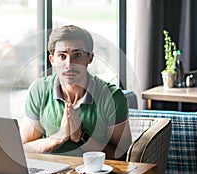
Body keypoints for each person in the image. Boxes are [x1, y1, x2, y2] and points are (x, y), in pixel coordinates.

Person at [20, 25, 132, 160]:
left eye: (77, 55)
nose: (69, 64)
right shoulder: (39, 89)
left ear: (90, 58)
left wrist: (82, 137)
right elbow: (24, 149)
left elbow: (124, 156)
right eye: (62, 56)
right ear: (52, 60)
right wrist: (57, 138)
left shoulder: (112, 97)